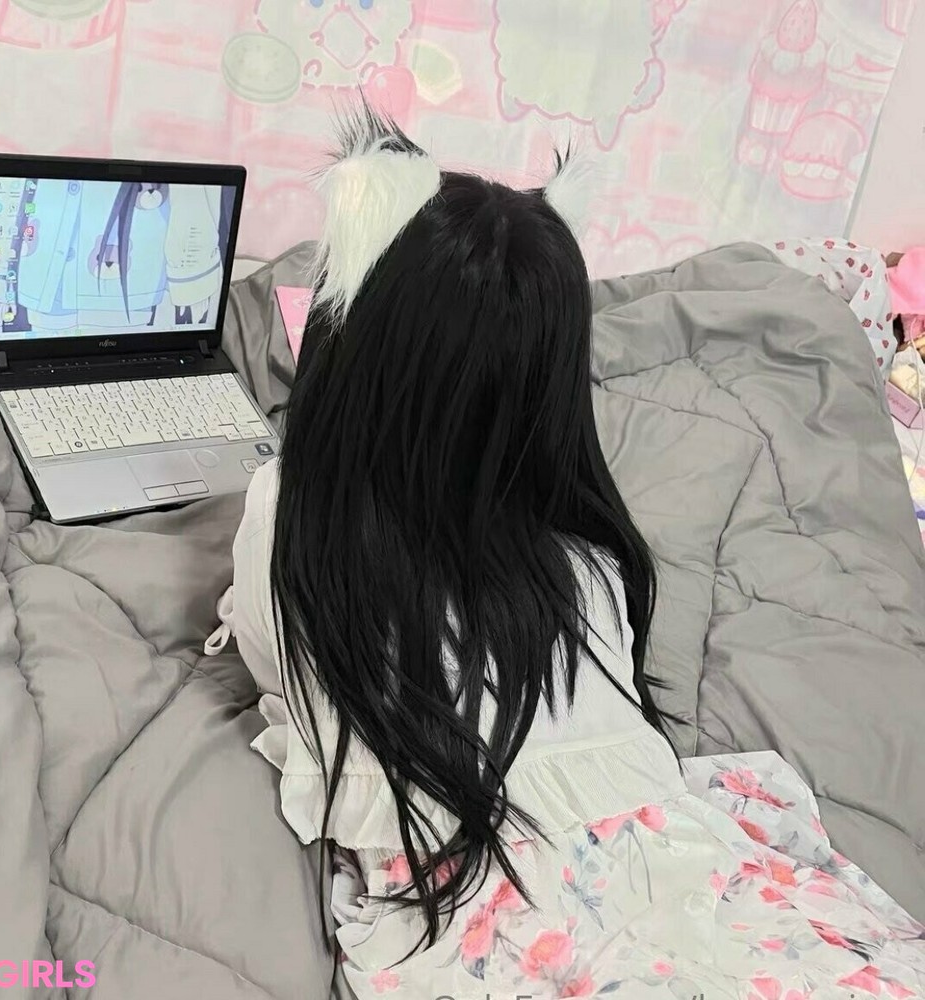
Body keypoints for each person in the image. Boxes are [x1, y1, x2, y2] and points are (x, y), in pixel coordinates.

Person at [211, 106, 925, 1000]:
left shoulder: (291, 513)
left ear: (350, 352)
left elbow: (267, 653)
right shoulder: (590, 556)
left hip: (498, 922)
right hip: (681, 861)